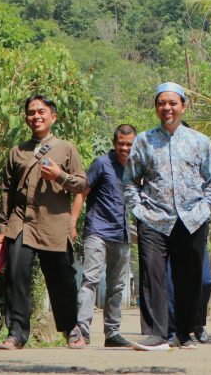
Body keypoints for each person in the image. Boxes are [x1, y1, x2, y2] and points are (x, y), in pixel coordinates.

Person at [124, 81, 211, 351]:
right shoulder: (144, 140)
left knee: (189, 279)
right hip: (154, 218)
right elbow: (130, 180)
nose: (166, 108)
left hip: (191, 219)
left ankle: (183, 334)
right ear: (156, 107)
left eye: (172, 103)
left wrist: (204, 210)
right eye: (161, 103)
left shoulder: (200, 141)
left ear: (183, 106)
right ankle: (157, 332)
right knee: (153, 274)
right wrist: (139, 209)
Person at [0, 95, 88, 350]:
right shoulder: (17, 152)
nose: (35, 116)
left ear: (52, 117)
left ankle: (71, 328)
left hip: (54, 224)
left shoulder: (66, 148)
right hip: (21, 222)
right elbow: (6, 191)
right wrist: (3, 228)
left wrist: (61, 176)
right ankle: (16, 334)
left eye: (41, 112)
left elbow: (82, 184)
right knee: (16, 276)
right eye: (31, 112)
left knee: (61, 278)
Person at [69, 124, 137, 349]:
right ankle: (82, 331)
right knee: (90, 280)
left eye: (129, 144)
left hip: (123, 234)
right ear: (114, 143)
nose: (124, 148)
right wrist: (72, 222)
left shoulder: (136, 168)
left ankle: (113, 333)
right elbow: (82, 191)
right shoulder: (101, 164)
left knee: (117, 286)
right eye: (121, 143)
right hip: (97, 231)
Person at [165, 244, 211, 344]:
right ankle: (173, 330)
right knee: (171, 285)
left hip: (194, 233)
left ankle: (197, 321)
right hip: (170, 234)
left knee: (205, 281)